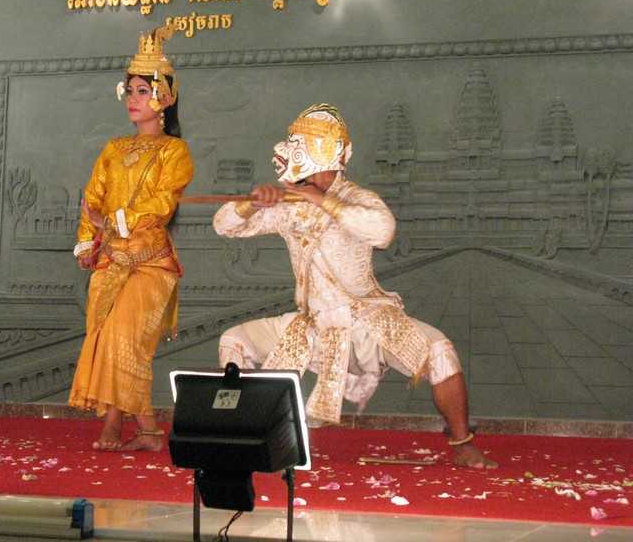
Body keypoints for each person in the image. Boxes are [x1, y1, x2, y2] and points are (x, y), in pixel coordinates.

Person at [213, 104, 496, 468]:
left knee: (440, 352)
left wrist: (322, 200)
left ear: (322, 151)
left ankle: (462, 442)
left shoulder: (358, 198)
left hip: (366, 323)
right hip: (312, 326)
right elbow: (224, 224)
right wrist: (251, 204)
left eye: (298, 143)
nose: (287, 149)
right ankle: (241, 437)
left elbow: (383, 231)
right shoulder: (289, 203)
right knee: (234, 340)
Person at [69, 24, 193, 452]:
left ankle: (148, 428)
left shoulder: (174, 152)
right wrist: (87, 239)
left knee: (125, 339)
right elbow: (92, 198)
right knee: (106, 338)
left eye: (142, 91)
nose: (133, 99)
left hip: (150, 262)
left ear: (165, 98)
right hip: (110, 259)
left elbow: (162, 203)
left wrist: (117, 222)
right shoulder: (113, 148)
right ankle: (119, 425)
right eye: (130, 91)